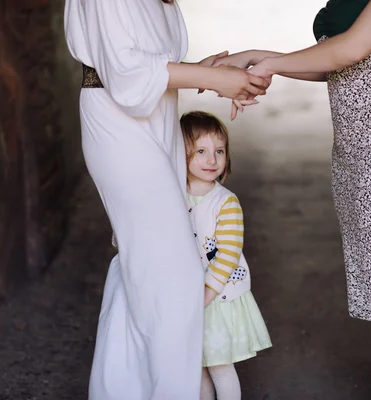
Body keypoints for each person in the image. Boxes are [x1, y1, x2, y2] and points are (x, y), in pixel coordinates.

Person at [215, 1, 371, 398]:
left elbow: (351, 49)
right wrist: (256, 56)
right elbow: (334, 63)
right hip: (357, 155)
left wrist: (269, 66)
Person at [63, 1, 269, 399]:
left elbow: (152, 66)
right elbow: (125, 73)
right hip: (118, 125)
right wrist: (211, 77)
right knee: (173, 281)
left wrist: (214, 73)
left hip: (158, 119)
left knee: (143, 272)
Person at [181, 111, 272, 400]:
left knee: (219, 366)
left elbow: (228, 255)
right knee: (196, 367)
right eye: (201, 151)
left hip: (217, 298)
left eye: (219, 151)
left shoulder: (226, 203)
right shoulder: (173, 195)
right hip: (187, 295)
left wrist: (205, 295)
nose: (212, 160)